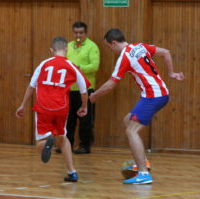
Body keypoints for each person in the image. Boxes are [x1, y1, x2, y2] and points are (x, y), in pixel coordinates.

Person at [89, 29, 184, 184]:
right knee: (127, 121)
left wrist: (94, 95)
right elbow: (166, 52)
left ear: (114, 42)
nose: (110, 50)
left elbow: (111, 85)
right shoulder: (140, 47)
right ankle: (143, 163)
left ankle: (143, 173)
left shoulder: (125, 56)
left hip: (154, 96)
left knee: (131, 131)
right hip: (156, 94)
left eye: (109, 47)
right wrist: (171, 73)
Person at [15, 37, 90, 182]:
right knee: (63, 137)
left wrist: (22, 105)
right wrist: (84, 106)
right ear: (66, 49)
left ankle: (47, 141)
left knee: (40, 143)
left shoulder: (43, 64)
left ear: (51, 50)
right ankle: (72, 172)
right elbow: (84, 91)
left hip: (43, 107)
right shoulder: (71, 66)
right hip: (61, 108)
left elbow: (31, 86)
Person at [56, 21, 100, 154]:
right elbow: (62, 62)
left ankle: (85, 146)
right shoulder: (68, 46)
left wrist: (78, 68)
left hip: (86, 90)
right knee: (69, 119)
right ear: (73, 32)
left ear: (86, 33)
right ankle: (66, 145)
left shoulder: (92, 47)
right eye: (76, 32)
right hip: (69, 89)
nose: (78, 35)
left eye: (81, 33)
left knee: (85, 120)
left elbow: (94, 66)